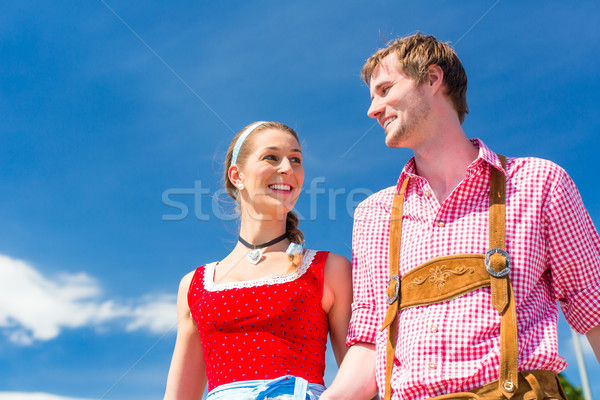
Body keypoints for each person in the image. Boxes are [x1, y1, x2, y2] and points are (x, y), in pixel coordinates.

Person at [321, 33, 600, 400]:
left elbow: (593, 310)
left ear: (433, 79)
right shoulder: (374, 215)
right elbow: (368, 351)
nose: (373, 109)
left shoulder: (538, 182)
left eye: (385, 89)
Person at [164, 121, 352, 400]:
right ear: (237, 176)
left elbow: (361, 374)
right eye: (271, 157)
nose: (288, 168)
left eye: (296, 160)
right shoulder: (194, 285)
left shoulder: (330, 269)